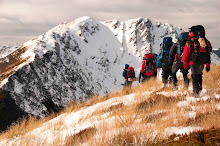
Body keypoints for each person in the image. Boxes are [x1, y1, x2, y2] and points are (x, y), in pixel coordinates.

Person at [182, 25, 212, 95]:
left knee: (194, 76)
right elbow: (208, 53)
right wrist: (208, 65)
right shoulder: (205, 41)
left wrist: (186, 67)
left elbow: (185, 56)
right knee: (199, 75)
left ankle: (196, 94)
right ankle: (199, 91)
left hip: (193, 62)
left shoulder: (189, 42)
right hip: (203, 61)